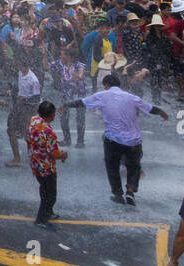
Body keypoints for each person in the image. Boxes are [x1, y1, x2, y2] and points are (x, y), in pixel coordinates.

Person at [61, 73, 169, 205]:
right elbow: (150, 108)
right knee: (134, 166)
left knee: (112, 166)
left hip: (113, 140)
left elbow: (82, 102)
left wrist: (65, 104)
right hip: (133, 141)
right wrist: (162, 113)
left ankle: (118, 194)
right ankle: (130, 191)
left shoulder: (102, 95)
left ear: (106, 85)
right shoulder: (131, 97)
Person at [26, 101, 67, 229]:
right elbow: (53, 153)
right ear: (50, 115)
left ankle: (48, 212)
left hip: (35, 162)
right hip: (46, 167)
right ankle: (41, 219)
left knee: (44, 190)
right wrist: (63, 154)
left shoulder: (33, 120)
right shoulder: (49, 132)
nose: (55, 116)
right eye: (54, 113)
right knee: (50, 195)